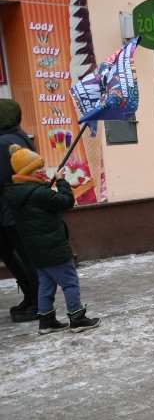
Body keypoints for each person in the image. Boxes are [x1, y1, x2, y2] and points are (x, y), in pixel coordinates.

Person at [2, 146, 99, 333]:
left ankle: (46, 320)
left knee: (46, 284)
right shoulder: (39, 194)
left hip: (36, 251)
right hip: (53, 248)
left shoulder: (19, 193)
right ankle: (77, 318)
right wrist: (62, 181)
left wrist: (46, 186)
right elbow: (65, 201)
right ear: (30, 172)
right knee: (70, 282)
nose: (44, 171)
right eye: (40, 168)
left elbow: (40, 201)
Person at [0, 99, 40, 323]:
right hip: (19, 207)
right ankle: (32, 298)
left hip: (11, 209)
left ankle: (35, 302)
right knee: (16, 254)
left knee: (23, 256)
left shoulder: (5, 141)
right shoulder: (19, 136)